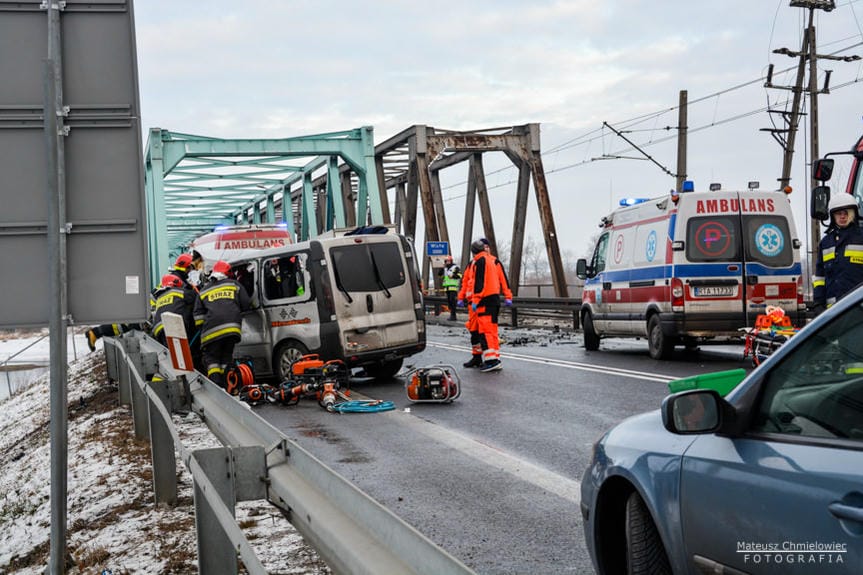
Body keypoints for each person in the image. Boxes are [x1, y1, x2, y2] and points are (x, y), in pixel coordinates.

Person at [194, 260, 251, 389]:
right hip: (232, 329)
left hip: (211, 332)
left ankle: (216, 386)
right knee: (226, 357)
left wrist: (202, 327)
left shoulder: (203, 290)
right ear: (227, 273)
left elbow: (197, 316)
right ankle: (228, 385)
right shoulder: (235, 285)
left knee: (212, 359)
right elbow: (246, 304)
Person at [467, 238, 513, 373]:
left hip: (484, 301)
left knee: (486, 332)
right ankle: (494, 358)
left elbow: (479, 284)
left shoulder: (480, 261)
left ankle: (491, 361)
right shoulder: (491, 261)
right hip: (493, 300)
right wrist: (508, 296)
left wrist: (475, 300)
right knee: (492, 332)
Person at [812, 194, 863, 314]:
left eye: (846, 213)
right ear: (832, 216)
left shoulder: (861, 237)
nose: (843, 216)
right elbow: (820, 277)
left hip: (858, 307)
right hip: (834, 312)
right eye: (838, 213)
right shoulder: (826, 243)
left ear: (853, 214)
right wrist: (818, 303)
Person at [150, 273, 196, 347]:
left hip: (158, 329)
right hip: (172, 325)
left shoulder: (160, 297)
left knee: (168, 353)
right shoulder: (181, 292)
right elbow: (197, 299)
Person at [438, 255, 462, 321]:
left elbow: (460, 275)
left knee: (452, 301)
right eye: (446, 261)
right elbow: (439, 275)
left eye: (448, 261)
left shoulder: (455, 267)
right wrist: (442, 268)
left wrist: (453, 276)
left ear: (451, 261)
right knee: (449, 302)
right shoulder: (445, 269)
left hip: (453, 288)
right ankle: (452, 315)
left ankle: (453, 315)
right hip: (447, 288)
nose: (447, 262)